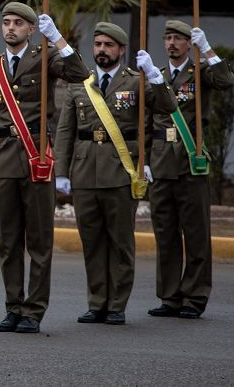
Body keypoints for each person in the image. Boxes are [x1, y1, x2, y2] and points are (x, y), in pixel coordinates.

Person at [0, 3, 87, 334]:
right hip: (2, 159)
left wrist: (59, 39)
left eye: (18, 23)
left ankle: (34, 310)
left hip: (37, 157)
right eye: (6, 22)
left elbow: (80, 74)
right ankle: (13, 306)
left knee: (39, 239)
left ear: (31, 29)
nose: (10, 28)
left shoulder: (46, 57)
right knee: (8, 241)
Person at [55, 22, 177, 325]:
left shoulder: (135, 81)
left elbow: (167, 106)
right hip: (84, 172)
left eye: (108, 45)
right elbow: (65, 131)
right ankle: (97, 301)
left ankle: (117, 304)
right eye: (97, 44)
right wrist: (62, 172)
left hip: (121, 171)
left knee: (120, 242)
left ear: (121, 50)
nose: (101, 50)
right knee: (92, 241)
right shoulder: (81, 83)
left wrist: (154, 76)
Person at [146, 20, 232, 319]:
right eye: (168, 37)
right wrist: (145, 160)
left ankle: (195, 296)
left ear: (188, 43)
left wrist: (207, 49)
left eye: (179, 39)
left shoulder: (199, 73)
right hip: (161, 163)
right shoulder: (154, 73)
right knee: (165, 233)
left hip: (190, 160)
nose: (172, 43)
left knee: (195, 234)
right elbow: (146, 121)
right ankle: (170, 296)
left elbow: (225, 80)